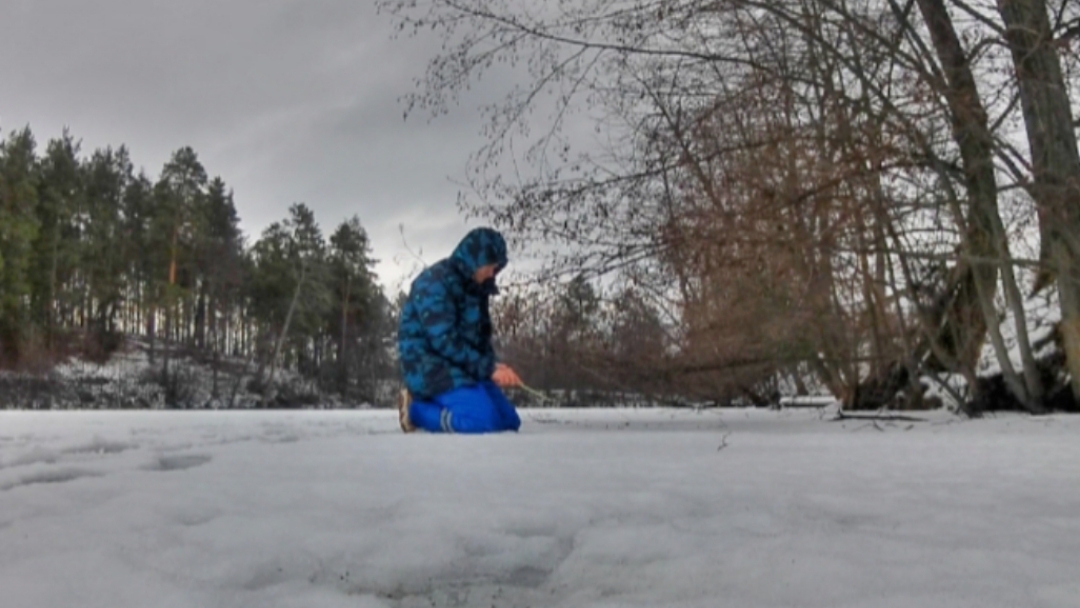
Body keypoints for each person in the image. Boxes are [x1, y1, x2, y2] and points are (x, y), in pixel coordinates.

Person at [397, 227, 524, 433]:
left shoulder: (476, 289)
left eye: (497, 268)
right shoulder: (434, 283)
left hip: (463, 368)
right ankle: (416, 410)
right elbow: (444, 341)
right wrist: (489, 369)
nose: (493, 273)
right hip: (429, 366)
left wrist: (494, 365)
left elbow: (479, 338)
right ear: (476, 260)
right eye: (491, 267)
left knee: (508, 421)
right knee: (481, 422)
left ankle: (451, 404)